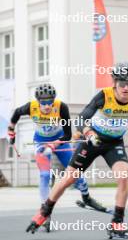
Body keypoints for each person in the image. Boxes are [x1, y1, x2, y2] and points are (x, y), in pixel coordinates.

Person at [26, 63, 128, 233]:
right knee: (68, 179)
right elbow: (80, 120)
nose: (126, 88)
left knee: (123, 178)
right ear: (115, 82)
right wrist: (89, 133)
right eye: (122, 83)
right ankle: (44, 212)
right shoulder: (103, 96)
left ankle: (116, 223)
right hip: (92, 142)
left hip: (114, 143)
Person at [8, 83, 105, 227]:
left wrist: (53, 144)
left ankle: (86, 196)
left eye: (50, 102)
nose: (47, 106)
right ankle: (44, 212)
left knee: (74, 172)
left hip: (60, 140)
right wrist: (11, 132)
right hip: (40, 141)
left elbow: (68, 135)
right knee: (45, 175)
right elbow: (16, 113)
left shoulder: (61, 107)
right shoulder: (30, 107)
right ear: (38, 101)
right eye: (44, 103)